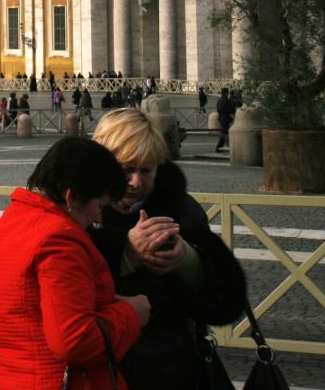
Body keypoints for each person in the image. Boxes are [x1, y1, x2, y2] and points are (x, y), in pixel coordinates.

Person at [89, 109, 246, 389]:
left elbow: (223, 298)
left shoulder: (180, 209)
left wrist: (187, 258)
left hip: (172, 365)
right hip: (101, 363)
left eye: (146, 170)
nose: (136, 182)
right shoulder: (79, 214)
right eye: (126, 169)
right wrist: (126, 257)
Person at [0, 137, 149, 389]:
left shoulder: (11, 222)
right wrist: (131, 314)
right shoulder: (59, 239)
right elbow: (74, 340)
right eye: (99, 205)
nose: (98, 217)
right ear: (71, 197)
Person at [215, 87, 236, 152]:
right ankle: (218, 148)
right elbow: (232, 110)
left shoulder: (219, 100)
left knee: (225, 133)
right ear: (227, 93)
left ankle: (227, 147)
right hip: (225, 118)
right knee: (224, 133)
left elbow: (218, 109)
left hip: (221, 117)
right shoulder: (227, 100)